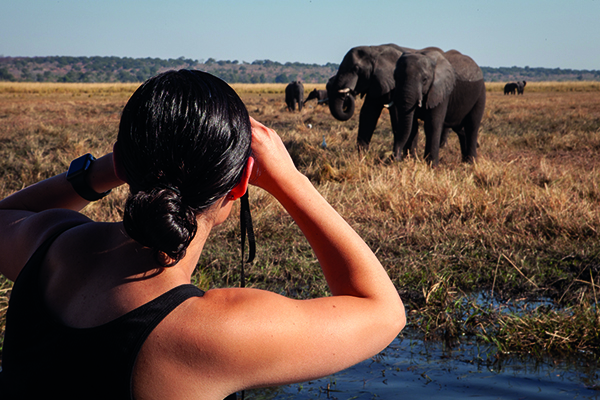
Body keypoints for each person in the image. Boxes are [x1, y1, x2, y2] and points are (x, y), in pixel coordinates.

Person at [0, 70, 405, 399]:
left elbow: (9, 214)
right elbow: (383, 311)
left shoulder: (48, 246)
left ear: (121, 162)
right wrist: (291, 180)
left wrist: (100, 171)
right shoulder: (210, 333)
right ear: (241, 181)